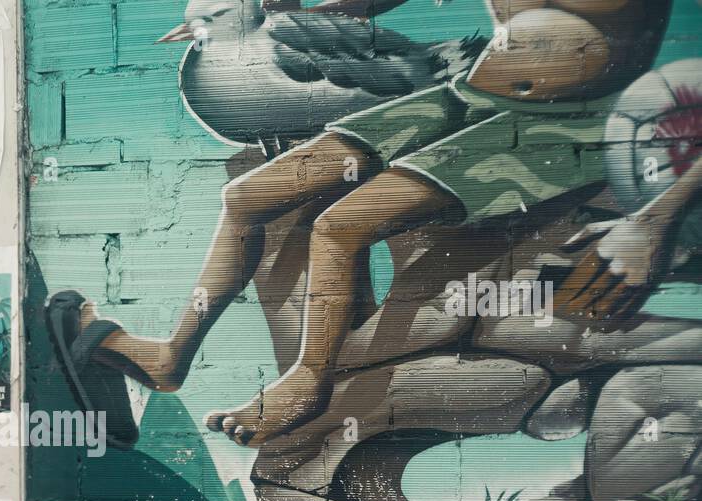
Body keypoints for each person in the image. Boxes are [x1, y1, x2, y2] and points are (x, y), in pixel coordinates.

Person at [48, 0, 695, 447]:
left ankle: (308, 384)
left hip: (572, 120)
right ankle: (169, 357)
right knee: (250, 196)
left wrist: (655, 221)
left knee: (337, 228)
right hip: (471, 94)